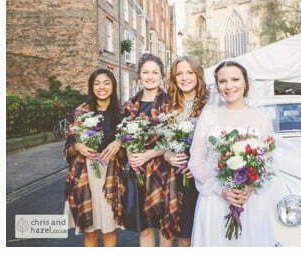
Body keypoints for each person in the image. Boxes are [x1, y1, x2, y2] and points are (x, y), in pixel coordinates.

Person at [187, 60, 276, 246]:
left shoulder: (261, 118)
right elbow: (196, 161)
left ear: (245, 82)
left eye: (235, 79)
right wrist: (222, 189)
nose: (229, 86)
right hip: (215, 199)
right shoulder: (209, 115)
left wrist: (250, 187)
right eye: (222, 81)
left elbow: (268, 161)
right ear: (217, 86)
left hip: (251, 201)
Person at [116, 54, 177, 246]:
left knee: (165, 226)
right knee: (145, 226)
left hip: (164, 171)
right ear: (139, 75)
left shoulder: (171, 103)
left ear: (162, 75)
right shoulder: (130, 105)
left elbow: (176, 139)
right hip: (138, 172)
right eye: (145, 72)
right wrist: (130, 154)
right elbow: (124, 136)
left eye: (154, 72)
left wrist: (149, 154)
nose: (150, 76)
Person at [63, 69, 125, 247]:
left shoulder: (121, 114)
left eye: (106, 83)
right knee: (89, 232)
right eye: (97, 83)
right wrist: (77, 146)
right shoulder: (80, 112)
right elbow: (68, 144)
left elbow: (130, 148)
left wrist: (119, 142)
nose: (102, 87)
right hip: (85, 175)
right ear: (91, 87)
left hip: (110, 176)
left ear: (113, 86)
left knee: (109, 231)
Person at [163, 55, 210, 246]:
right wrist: (167, 155)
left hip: (203, 176)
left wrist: (201, 165)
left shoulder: (211, 104)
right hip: (177, 177)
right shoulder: (168, 105)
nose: (184, 77)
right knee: (184, 233)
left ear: (198, 75)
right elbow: (160, 142)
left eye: (189, 72)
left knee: (205, 230)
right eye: (179, 74)